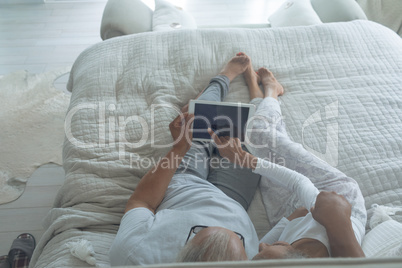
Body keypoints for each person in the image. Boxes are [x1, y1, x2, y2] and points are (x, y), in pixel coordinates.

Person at [109, 53, 262, 266]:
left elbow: (141, 201)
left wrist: (178, 148)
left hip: (185, 185)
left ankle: (222, 79)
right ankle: (254, 92)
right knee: (256, 137)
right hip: (233, 201)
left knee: (196, 122)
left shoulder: (134, 256)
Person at [208, 66, 367, 259]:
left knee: (269, 155)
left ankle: (259, 99)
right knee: (258, 134)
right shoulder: (330, 233)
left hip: (297, 216)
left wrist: (289, 222)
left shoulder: (282, 253)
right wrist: (244, 159)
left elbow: (268, 240)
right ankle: (272, 91)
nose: (262, 246)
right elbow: (298, 183)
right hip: (336, 198)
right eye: (265, 252)